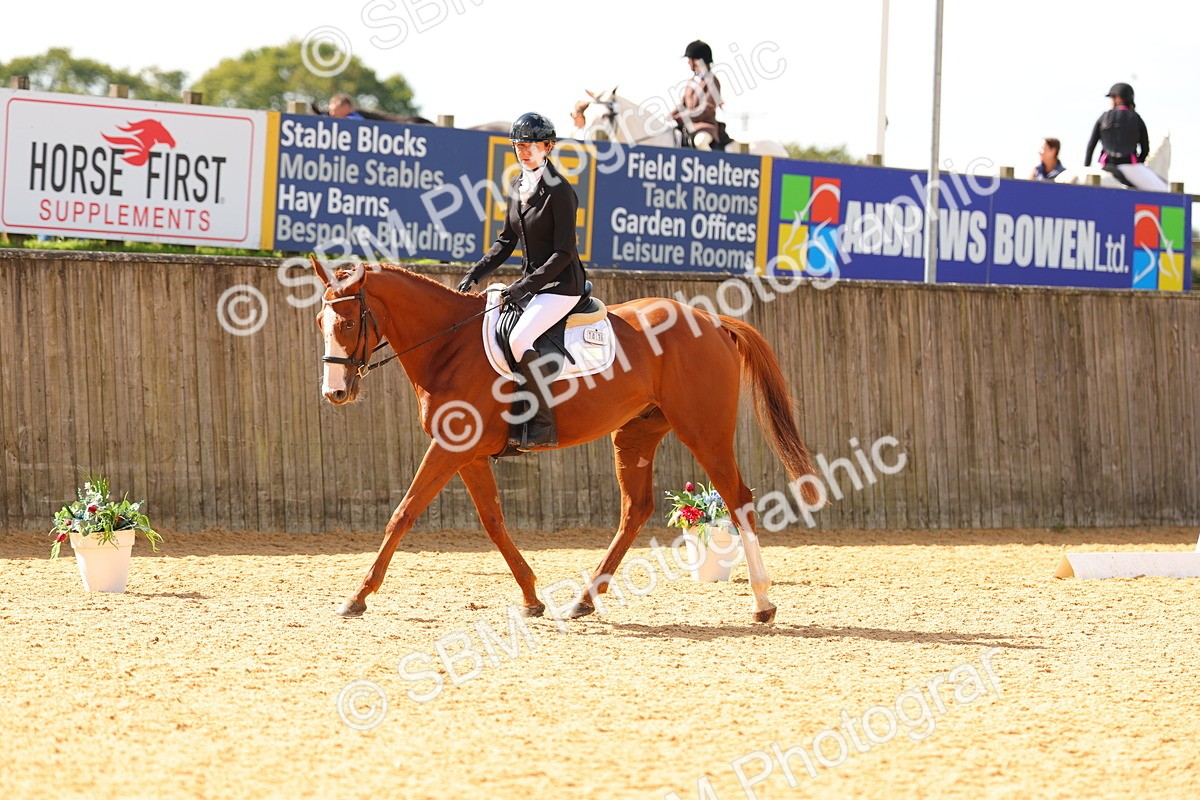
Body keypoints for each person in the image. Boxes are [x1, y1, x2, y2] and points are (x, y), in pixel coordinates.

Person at [456, 112, 587, 451]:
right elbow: (505, 241)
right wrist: (476, 273)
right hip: (533, 285)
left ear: (548, 147)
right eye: (519, 145)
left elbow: (563, 253)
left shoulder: (560, 191)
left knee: (518, 339)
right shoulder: (517, 185)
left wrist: (522, 288)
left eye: (531, 145)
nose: (524, 151)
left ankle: (542, 425)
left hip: (560, 286)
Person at [1083, 83, 1165, 191]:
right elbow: (1145, 149)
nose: (1111, 101)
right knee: (1164, 190)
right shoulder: (1136, 118)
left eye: (1112, 98)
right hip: (1129, 166)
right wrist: (1138, 163)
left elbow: (1091, 145)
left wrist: (1086, 168)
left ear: (1118, 98)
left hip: (1104, 165)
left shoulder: (1103, 117)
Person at [671, 40, 724, 150]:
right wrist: (670, 115)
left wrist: (685, 116)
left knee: (700, 141)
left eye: (689, 59)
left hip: (704, 127)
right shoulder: (691, 82)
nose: (688, 62)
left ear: (696, 60)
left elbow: (706, 108)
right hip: (688, 126)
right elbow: (682, 105)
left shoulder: (712, 81)